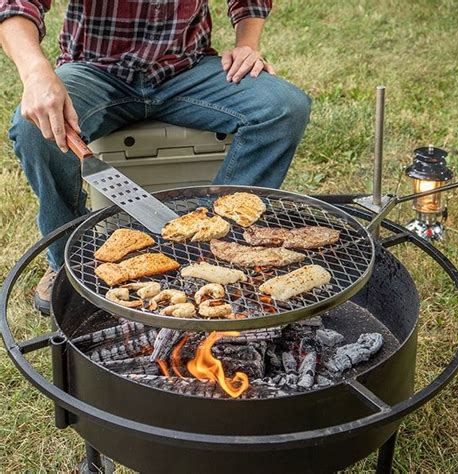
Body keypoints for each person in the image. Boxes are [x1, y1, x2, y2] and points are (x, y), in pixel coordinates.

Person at [0, 0, 311, 314]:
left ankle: (212, 243)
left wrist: (247, 43)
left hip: (186, 69)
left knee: (284, 108)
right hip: (96, 71)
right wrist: (36, 72)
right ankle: (68, 260)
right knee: (33, 132)